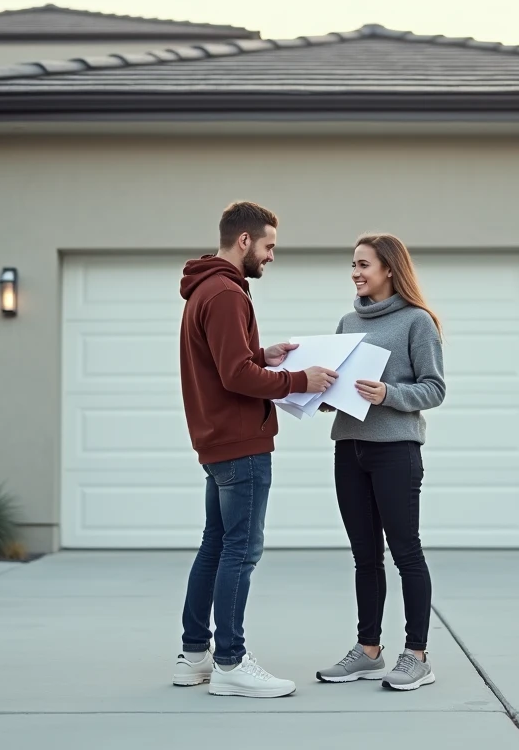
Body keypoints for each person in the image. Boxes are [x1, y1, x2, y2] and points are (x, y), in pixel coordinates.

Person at [173, 201, 338, 698]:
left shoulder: (207, 289)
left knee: (217, 546)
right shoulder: (225, 293)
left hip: (218, 442)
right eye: (268, 246)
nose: (270, 256)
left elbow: (232, 362)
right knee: (240, 552)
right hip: (240, 446)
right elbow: (234, 376)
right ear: (244, 240)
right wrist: (297, 379)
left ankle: (194, 655)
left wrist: (262, 356)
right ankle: (230, 663)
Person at [315, 234, 446, 692]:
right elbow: (339, 387)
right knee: (364, 557)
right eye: (352, 263)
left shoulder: (417, 322)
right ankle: (368, 651)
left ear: (389, 268)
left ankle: (417, 655)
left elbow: (434, 388)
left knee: (406, 552)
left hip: (395, 450)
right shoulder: (348, 320)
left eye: (363, 264)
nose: (355, 271)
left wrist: (389, 394)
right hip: (349, 447)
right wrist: (325, 397)